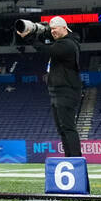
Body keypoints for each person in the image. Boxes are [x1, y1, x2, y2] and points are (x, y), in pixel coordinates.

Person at [18, 16, 82, 158]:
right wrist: (38, 30)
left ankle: (76, 160)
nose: (52, 31)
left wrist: (29, 37)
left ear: (64, 28)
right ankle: (69, 159)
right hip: (57, 92)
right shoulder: (63, 42)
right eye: (51, 29)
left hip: (66, 91)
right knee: (62, 129)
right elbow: (48, 41)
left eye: (55, 28)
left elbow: (46, 50)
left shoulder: (67, 44)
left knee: (68, 128)